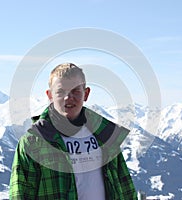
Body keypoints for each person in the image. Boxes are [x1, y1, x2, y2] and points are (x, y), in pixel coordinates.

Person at [9, 63, 137, 199]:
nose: (68, 97)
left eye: (75, 91)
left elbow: (126, 189)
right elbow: (20, 194)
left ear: (86, 94)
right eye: (60, 91)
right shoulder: (33, 142)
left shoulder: (105, 135)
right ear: (50, 95)